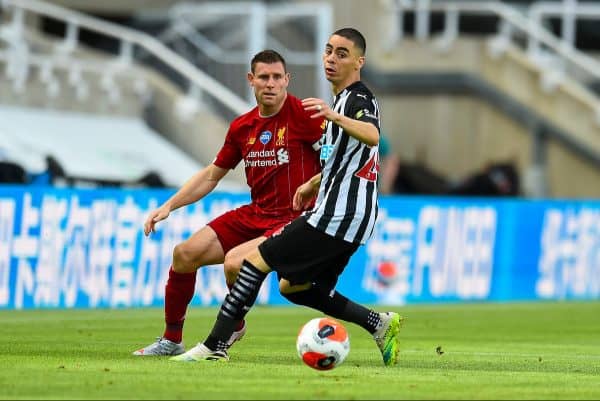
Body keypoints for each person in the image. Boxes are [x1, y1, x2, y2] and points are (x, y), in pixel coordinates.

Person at [171, 28, 403, 366]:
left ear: (359, 62)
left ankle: (214, 346)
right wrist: (314, 182)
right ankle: (378, 323)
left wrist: (334, 116)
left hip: (336, 214)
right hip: (351, 217)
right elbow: (350, 158)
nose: (331, 59)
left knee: (253, 261)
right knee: (295, 287)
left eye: (341, 53)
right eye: (328, 51)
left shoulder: (357, 98)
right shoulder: (340, 99)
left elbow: (372, 136)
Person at [132, 49, 325, 356]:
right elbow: (211, 175)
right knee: (184, 254)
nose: (271, 84)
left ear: (287, 80)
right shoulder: (241, 127)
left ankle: (224, 335)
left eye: (277, 77)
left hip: (294, 219)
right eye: (264, 77)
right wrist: (169, 205)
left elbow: (335, 161)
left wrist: (315, 187)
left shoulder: (306, 116)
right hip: (257, 213)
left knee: (236, 263)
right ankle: (173, 339)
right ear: (251, 80)